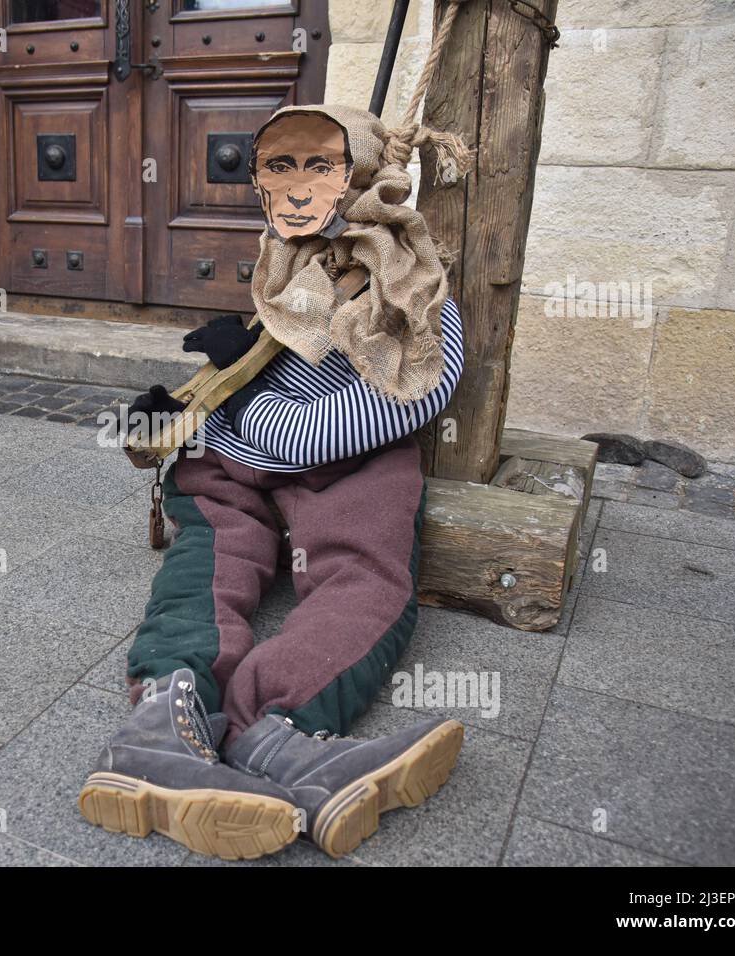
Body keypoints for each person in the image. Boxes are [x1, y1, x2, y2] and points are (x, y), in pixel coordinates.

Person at [78, 105, 466, 861]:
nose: (294, 186)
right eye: (277, 167)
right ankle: (165, 719)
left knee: (366, 573)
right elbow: (256, 357)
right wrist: (196, 398)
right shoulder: (281, 263)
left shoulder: (411, 282)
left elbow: (416, 386)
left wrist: (262, 419)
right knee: (207, 558)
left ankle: (276, 731)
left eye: (319, 166)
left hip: (348, 452)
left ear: (359, 177)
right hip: (235, 452)